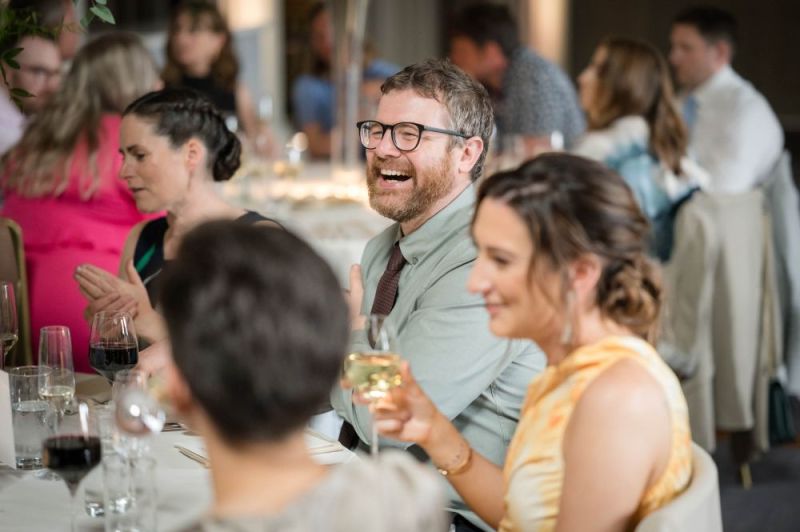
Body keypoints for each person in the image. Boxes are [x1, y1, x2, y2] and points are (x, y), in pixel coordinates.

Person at [373, 154, 693, 531]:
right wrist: (435, 432)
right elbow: (528, 515)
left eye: (501, 260)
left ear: (580, 273)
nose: (476, 283)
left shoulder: (617, 399)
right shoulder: (573, 371)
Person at [331, 58, 544, 531]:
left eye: (408, 133)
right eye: (377, 130)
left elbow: (380, 422)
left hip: (456, 518)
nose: (383, 149)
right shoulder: (384, 246)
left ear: (467, 153)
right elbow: (342, 385)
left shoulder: (483, 267)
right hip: (380, 493)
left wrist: (347, 336)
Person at [157, 221, 447, 532]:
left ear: (177, 387)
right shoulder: (408, 498)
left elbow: (380, 418)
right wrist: (357, 332)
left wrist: (358, 333)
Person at [1, 33, 160, 373]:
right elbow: (175, 223)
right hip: (99, 322)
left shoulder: (37, 134)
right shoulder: (131, 142)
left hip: (19, 321)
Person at [74, 88, 278, 346]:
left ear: (191, 154)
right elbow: (125, 369)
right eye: (123, 157)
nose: (124, 172)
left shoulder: (258, 239)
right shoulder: (142, 239)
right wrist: (111, 330)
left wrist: (152, 325)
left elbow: (263, 360)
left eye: (139, 155)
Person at [573, 37, 708, 262]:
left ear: (622, 83)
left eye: (596, 69)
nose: (582, 78)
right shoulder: (670, 151)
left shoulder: (601, 151)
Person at [669, 6, 783, 193]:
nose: (673, 58)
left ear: (720, 52)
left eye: (685, 48)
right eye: (673, 47)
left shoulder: (747, 111)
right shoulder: (682, 99)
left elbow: (725, 191)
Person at [449, 3, 585, 152]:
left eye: (461, 51)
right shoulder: (496, 83)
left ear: (491, 51)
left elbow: (537, 152)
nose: (454, 58)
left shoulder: (534, 78)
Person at [291, 2, 398, 159]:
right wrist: (357, 123)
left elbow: (412, 93)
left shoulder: (379, 72)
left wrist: (376, 90)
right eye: (319, 35)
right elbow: (316, 146)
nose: (327, 41)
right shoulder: (308, 87)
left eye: (331, 31)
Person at [163, 1, 266, 152]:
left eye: (193, 31)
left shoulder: (235, 90)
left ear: (219, 40)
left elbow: (257, 146)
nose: (181, 39)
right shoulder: (162, 88)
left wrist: (262, 137)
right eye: (177, 30)